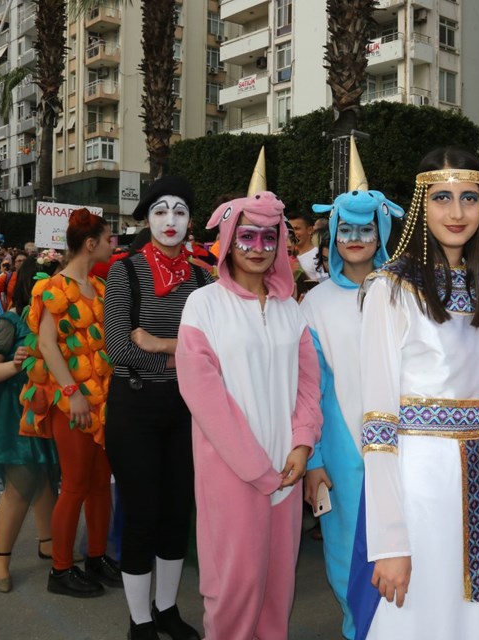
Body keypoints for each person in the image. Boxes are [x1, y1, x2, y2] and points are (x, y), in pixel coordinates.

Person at [349, 147, 479, 640]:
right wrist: (389, 542)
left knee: (477, 622)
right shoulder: (391, 289)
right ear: (421, 205)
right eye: (442, 198)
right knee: (418, 618)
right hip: (420, 487)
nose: (457, 212)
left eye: (469, 198)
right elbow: (378, 424)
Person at [175, 150, 322, 640]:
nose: (258, 247)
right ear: (228, 240)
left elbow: (308, 385)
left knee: (278, 588)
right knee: (233, 589)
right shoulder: (203, 305)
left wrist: (302, 444)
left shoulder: (290, 309)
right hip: (232, 474)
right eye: (247, 236)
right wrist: (256, 467)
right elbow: (204, 396)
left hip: (287, 471)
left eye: (268, 237)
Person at [301, 138, 404, 639]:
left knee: (402, 550)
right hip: (343, 451)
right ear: (333, 235)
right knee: (346, 552)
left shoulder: (407, 292)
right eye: (346, 229)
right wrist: (315, 459)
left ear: (381, 231)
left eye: (366, 228)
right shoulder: (315, 303)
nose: (356, 238)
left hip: (407, 446)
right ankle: (356, 629)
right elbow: (310, 388)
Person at [105, 176, 209, 640]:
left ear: (190, 221)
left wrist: (160, 344)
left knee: (176, 514)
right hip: (136, 407)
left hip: (187, 408)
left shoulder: (202, 278)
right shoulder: (124, 272)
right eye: (161, 211)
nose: (171, 220)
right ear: (147, 219)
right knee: (142, 514)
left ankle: (166, 609)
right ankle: (139, 620)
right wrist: (179, 355)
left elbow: (211, 348)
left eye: (180, 211)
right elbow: (118, 348)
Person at [19, 209, 119, 597]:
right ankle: (60, 569)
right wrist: (71, 392)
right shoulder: (53, 287)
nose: (113, 245)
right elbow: (47, 345)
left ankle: (96, 557)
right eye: (108, 238)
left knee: (100, 484)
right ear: (91, 244)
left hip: (102, 403)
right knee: (75, 485)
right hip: (72, 404)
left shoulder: (99, 286)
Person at [0, 255, 60, 592]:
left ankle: (49, 541)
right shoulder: (9, 322)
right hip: (15, 414)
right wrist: (14, 364)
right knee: (21, 484)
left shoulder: (58, 320)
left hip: (50, 410)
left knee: (46, 476)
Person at [289, 211, 324, 283]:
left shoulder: (319, 256)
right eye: (291, 230)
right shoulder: (287, 255)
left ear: (310, 230)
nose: (293, 233)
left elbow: (324, 283)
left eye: (297, 229)